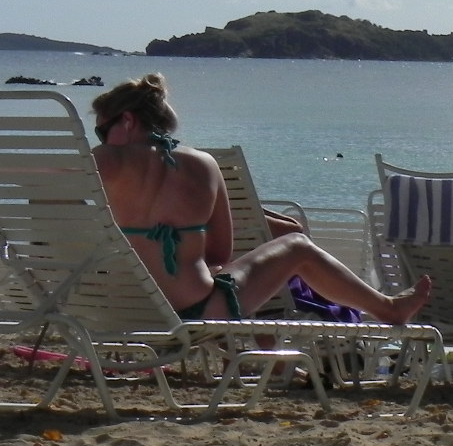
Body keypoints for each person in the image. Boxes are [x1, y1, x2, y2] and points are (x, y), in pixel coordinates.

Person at [92, 73, 432, 324]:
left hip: (112, 308)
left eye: (102, 131)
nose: (102, 139)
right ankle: (387, 308)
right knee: (297, 245)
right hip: (199, 310)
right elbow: (220, 253)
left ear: (128, 120)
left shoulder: (97, 162)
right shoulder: (203, 165)